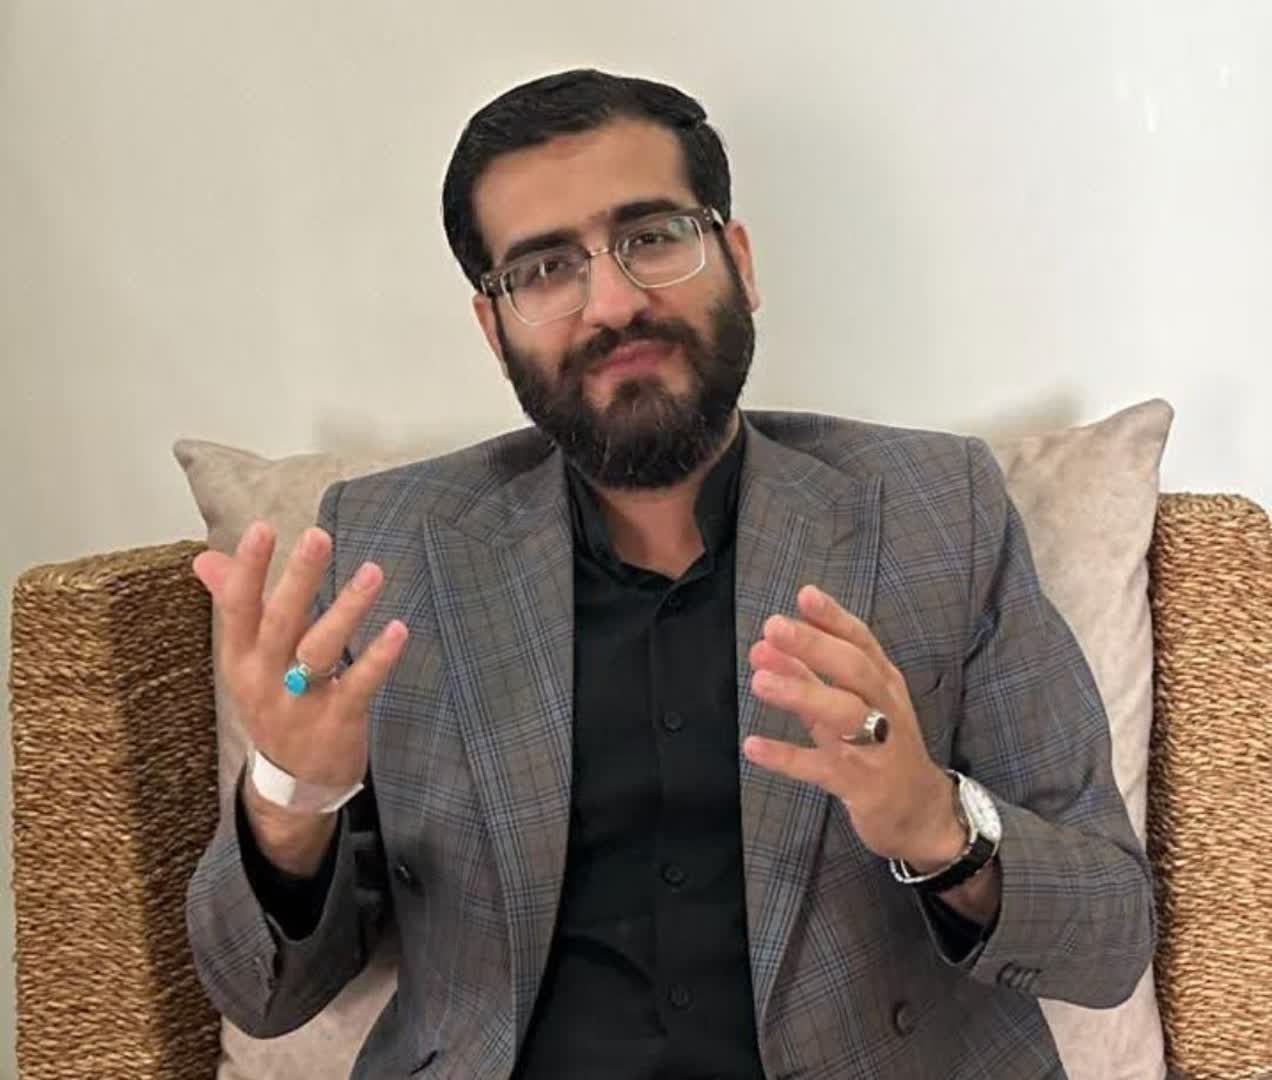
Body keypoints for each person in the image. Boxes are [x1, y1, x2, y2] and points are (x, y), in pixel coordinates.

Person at [186, 69, 1154, 1079]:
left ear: (738, 261)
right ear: (493, 327)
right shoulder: (392, 547)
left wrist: (935, 825)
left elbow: (1110, 935)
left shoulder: (933, 510)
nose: (613, 303)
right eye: (545, 269)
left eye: (651, 237)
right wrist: (291, 794)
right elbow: (260, 993)